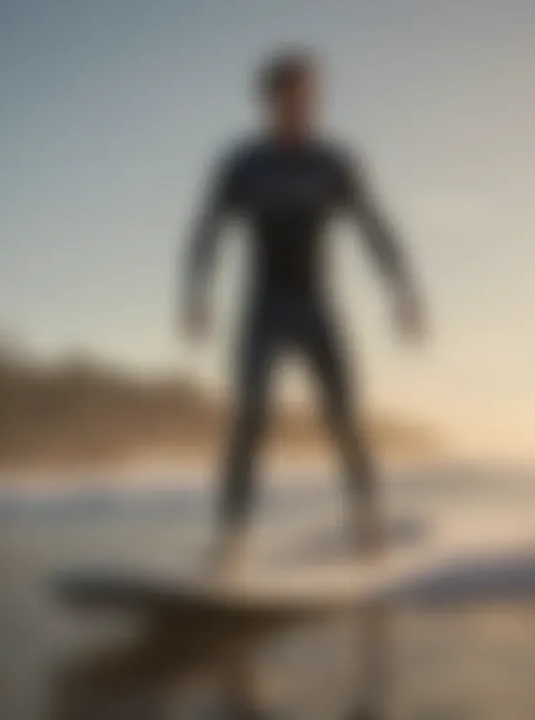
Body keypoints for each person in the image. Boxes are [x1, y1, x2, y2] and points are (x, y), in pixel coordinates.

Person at [181, 49, 427, 577]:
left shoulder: (333, 163)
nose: (299, 106)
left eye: (307, 96)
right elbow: (207, 229)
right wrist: (195, 294)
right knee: (249, 418)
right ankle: (231, 541)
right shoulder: (243, 165)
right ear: (269, 101)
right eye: (287, 97)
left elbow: (373, 226)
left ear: (314, 99)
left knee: (343, 418)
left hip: (317, 308)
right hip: (264, 309)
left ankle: (367, 528)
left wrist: (401, 289)